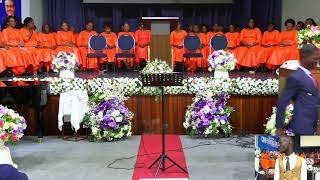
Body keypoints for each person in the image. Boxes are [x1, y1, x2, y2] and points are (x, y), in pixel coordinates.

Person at [276, 43, 320, 136]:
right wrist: (279, 127)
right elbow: (282, 102)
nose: (317, 62)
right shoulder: (296, 77)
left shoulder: (310, 76)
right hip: (302, 127)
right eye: (315, 59)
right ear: (304, 57)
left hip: (312, 126)